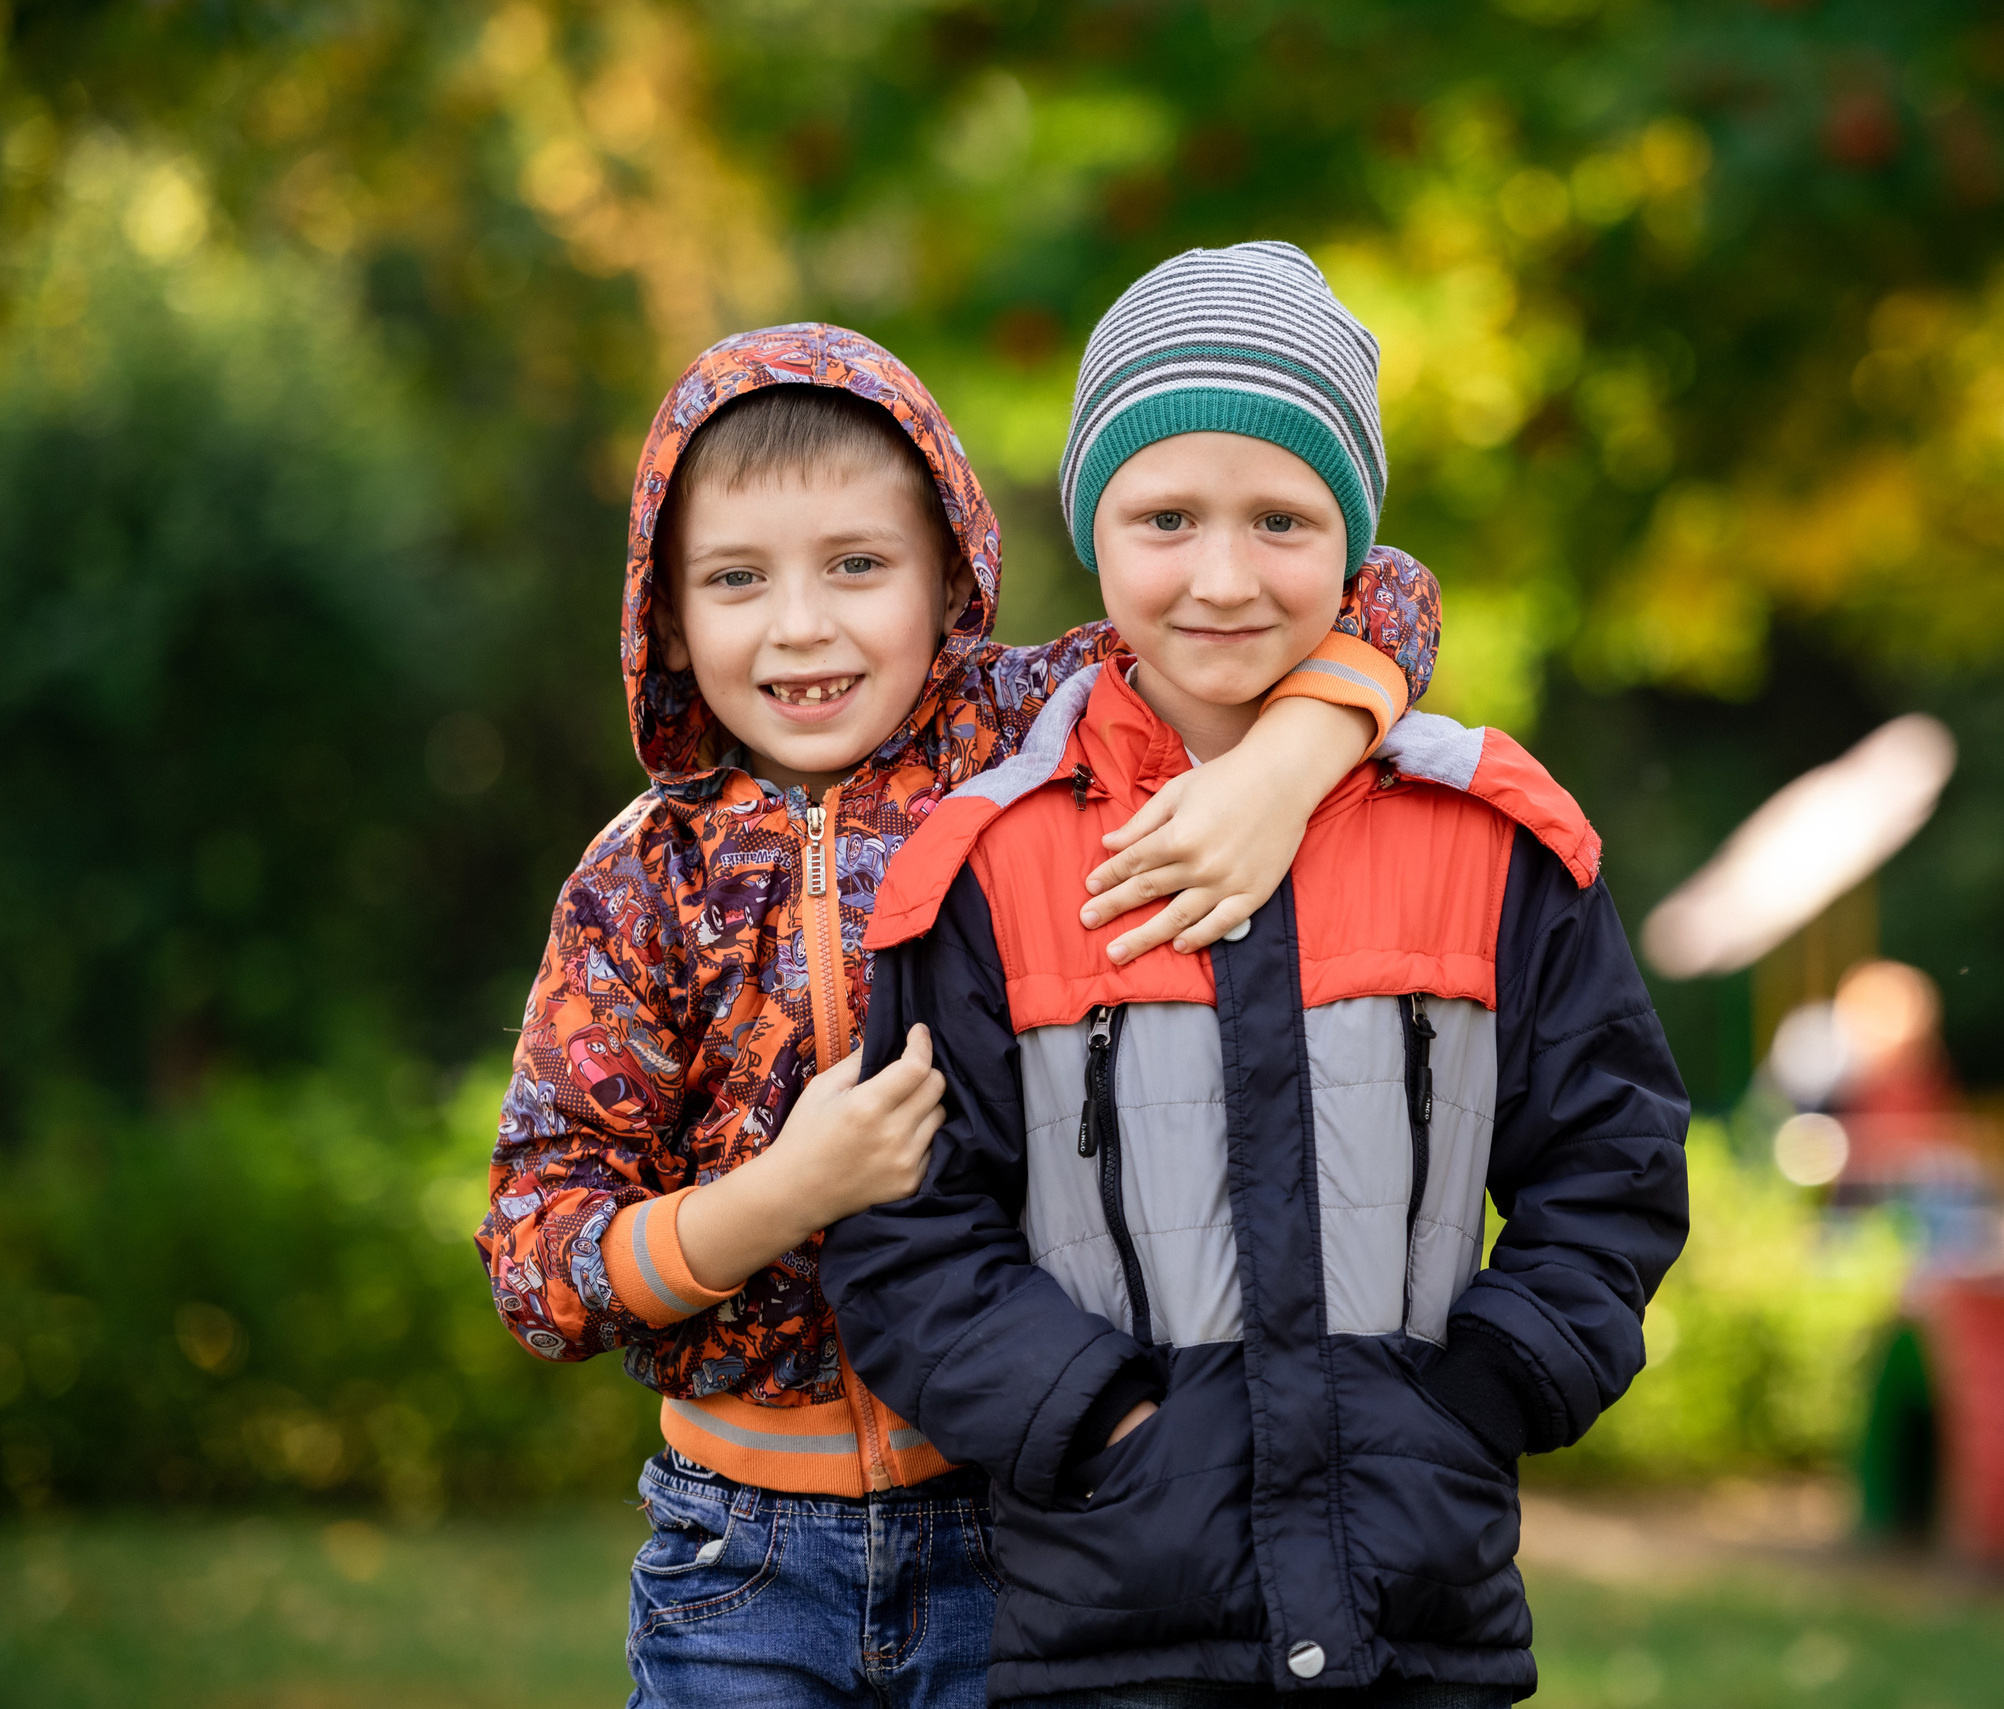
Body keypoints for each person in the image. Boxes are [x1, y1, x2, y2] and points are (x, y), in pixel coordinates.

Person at [477, 320, 1444, 1707]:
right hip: (739, 1556)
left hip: (1029, 1514)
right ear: (667, 618)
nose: (800, 623)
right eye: (736, 579)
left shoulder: (1036, 736)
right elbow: (534, 1255)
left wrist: (1286, 764)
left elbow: (1382, 591)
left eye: (858, 565)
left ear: (953, 573)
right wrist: (782, 1192)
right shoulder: (645, 882)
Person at [824, 243, 1690, 1708]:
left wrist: (1481, 1394)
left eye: (1283, 518)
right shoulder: (986, 865)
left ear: (1356, 547)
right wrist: (1097, 1417)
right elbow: (907, 1233)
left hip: (1426, 1614)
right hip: (1112, 1631)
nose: (1224, 575)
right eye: (1167, 515)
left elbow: (1612, 1163)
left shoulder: (1498, 840)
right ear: (1094, 534)